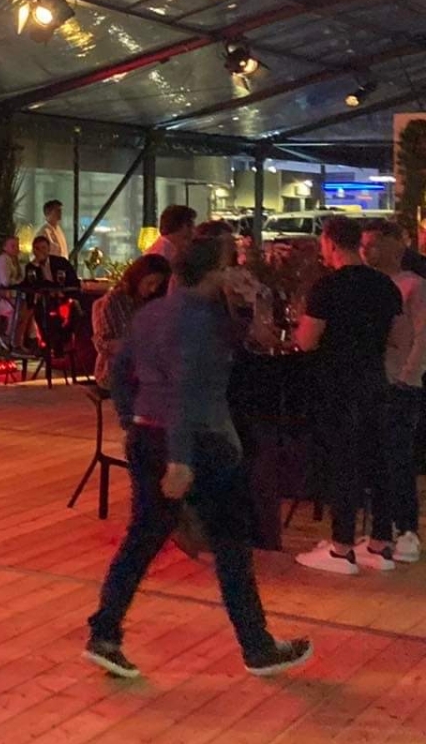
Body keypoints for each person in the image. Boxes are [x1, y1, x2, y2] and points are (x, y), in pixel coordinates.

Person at [83, 234, 312, 680]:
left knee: (143, 537)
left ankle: (105, 633)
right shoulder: (202, 320)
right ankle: (257, 646)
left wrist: (133, 422)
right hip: (198, 443)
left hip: (150, 435)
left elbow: (122, 373)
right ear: (214, 272)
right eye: (229, 265)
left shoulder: (153, 314)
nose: (234, 272)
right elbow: (187, 390)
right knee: (230, 546)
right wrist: (180, 457)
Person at [294, 216, 406, 575]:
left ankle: (341, 548)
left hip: (337, 384)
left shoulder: (327, 287)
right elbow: (398, 338)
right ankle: (381, 543)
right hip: (374, 380)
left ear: (330, 243)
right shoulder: (385, 285)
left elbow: (306, 340)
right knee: (378, 461)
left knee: (343, 462)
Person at [361, 219, 423, 564]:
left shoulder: (413, 286)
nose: (367, 251)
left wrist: (407, 377)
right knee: (378, 457)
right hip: (374, 381)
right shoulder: (371, 285)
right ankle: (381, 530)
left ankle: (407, 528)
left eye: (373, 243)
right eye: (364, 244)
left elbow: (422, 337)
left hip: (399, 383)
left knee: (398, 457)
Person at [91, 254, 170, 391]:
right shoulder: (115, 301)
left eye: (158, 285)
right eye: (150, 283)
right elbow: (103, 343)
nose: (153, 289)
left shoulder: (154, 300)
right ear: (138, 277)